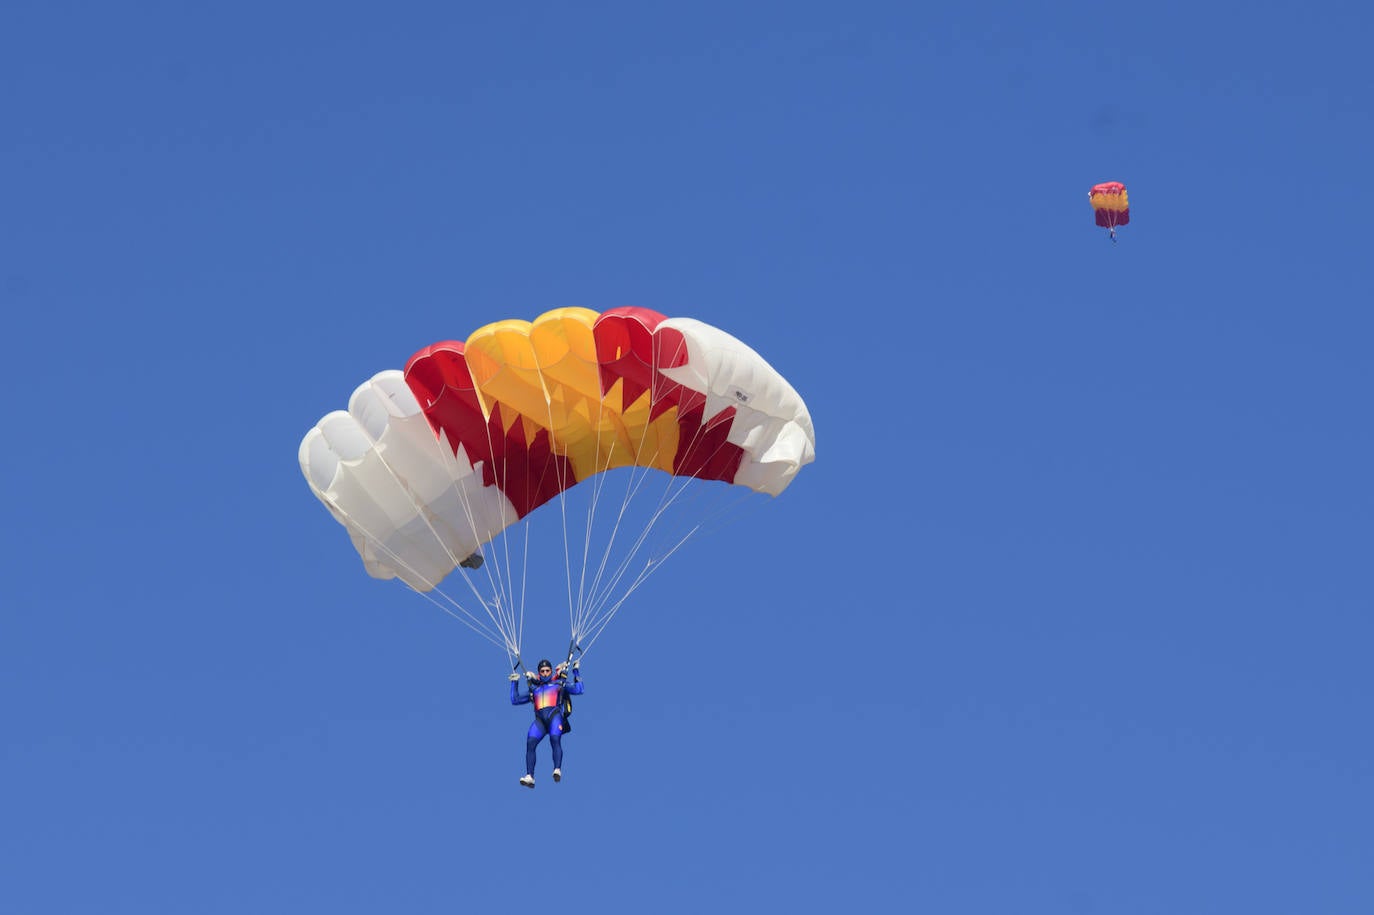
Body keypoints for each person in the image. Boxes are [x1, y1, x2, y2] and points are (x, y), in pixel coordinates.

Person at [509, 658, 583, 788]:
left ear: (551, 671)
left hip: (554, 716)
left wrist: (576, 671)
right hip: (540, 721)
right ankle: (530, 776)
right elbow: (515, 700)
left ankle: (557, 769)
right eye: (542, 671)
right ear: (539, 673)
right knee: (530, 743)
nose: (545, 673)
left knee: (555, 739)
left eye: (547, 671)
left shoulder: (559, 684)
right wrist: (514, 682)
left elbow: (579, 690)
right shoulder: (534, 690)